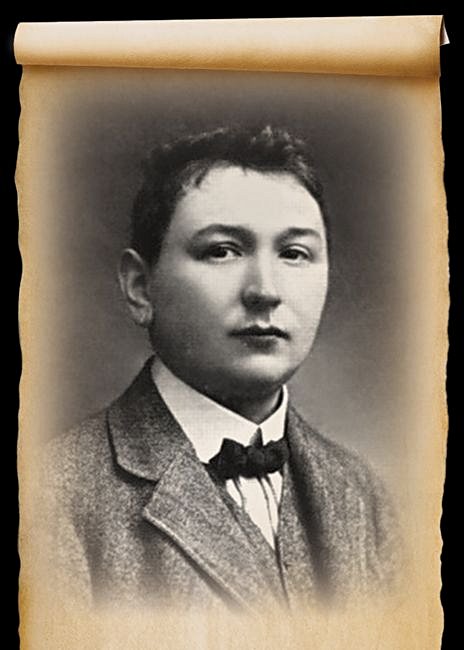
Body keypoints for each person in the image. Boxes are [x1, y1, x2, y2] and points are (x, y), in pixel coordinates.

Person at [41, 125, 399, 612]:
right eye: (222, 251)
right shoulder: (51, 496)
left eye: (294, 253)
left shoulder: (363, 493)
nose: (265, 291)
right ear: (141, 288)